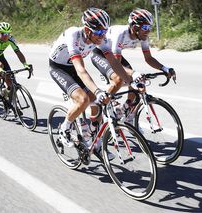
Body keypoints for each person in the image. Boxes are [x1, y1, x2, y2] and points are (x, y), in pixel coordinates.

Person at [49, 7, 142, 157]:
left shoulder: (101, 38)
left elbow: (114, 63)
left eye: (104, 31)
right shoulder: (74, 35)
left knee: (98, 103)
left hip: (74, 67)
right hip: (59, 68)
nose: (102, 35)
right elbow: (80, 69)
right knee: (84, 99)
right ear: (87, 29)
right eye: (99, 32)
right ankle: (64, 128)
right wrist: (97, 91)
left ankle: (94, 141)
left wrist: (130, 80)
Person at [91, 8, 176, 122]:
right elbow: (116, 64)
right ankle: (105, 107)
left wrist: (164, 68)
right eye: (145, 27)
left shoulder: (143, 36)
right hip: (101, 53)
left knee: (138, 83)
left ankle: (127, 112)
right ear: (135, 27)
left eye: (150, 27)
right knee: (118, 80)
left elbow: (149, 58)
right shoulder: (120, 34)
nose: (148, 31)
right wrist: (134, 73)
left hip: (114, 56)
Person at [0, 22, 32, 101]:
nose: (6, 36)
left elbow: (18, 52)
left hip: (0, 56)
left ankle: (8, 99)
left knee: (10, 78)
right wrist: (0, 70)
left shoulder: (11, 39)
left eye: (8, 34)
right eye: (4, 34)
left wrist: (25, 64)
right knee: (0, 66)